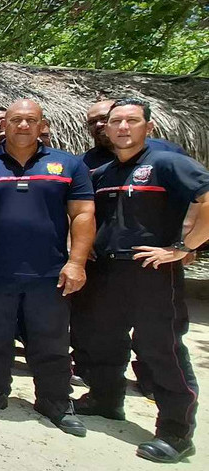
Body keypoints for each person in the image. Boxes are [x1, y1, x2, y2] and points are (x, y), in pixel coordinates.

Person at [73, 98, 206, 463]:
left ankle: (177, 432)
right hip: (106, 270)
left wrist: (183, 247)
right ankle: (105, 400)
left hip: (151, 271)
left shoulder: (167, 162)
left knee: (159, 348)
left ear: (148, 127)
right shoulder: (104, 172)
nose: (122, 127)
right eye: (115, 121)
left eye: (131, 121)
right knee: (102, 340)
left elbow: (206, 199)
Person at [0, 99, 94, 437]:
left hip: (49, 272)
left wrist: (76, 262)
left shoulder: (68, 164)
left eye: (31, 120)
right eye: (16, 120)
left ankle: (55, 400)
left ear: (42, 125)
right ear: (5, 124)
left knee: (51, 340)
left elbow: (83, 214)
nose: (23, 125)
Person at [79, 99, 187, 170]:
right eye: (92, 122)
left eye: (103, 118)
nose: (98, 124)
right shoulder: (83, 163)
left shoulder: (167, 151)